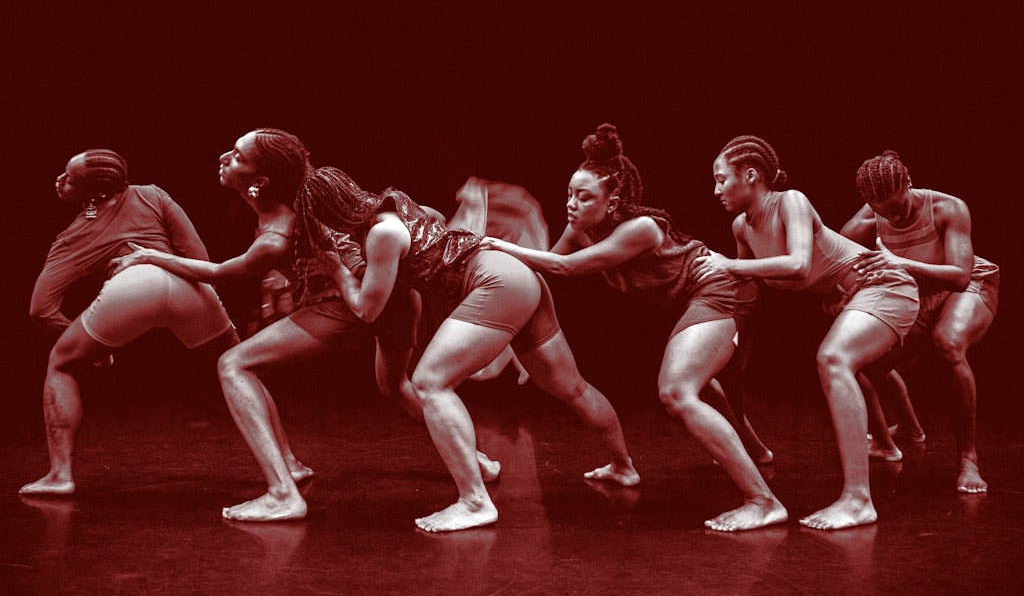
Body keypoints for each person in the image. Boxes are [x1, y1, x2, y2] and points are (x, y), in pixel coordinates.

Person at [111, 129, 440, 522]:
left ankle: (283, 492)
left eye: (236, 156)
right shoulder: (297, 193)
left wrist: (151, 257)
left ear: (259, 182)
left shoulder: (276, 233)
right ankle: (473, 458)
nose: (223, 157)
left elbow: (219, 273)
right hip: (397, 300)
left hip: (347, 304)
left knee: (234, 364)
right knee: (396, 385)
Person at [294, 164, 640, 532]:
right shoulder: (395, 204)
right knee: (573, 387)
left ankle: (474, 502)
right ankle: (624, 466)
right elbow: (435, 225)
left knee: (430, 383)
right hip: (518, 276)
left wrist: (336, 269)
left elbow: (367, 309)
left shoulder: (382, 233)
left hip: (495, 283)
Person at [483, 123, 786, 531]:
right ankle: (755, 455)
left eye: (584, 196)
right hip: (696, 301)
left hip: (721, 291)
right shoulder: (581, 227)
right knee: (710, 385)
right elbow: (547, 267)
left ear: (614, 201)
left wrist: (499, 245)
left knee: (678, 391)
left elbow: (564, 267)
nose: (571, 204)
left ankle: (763, 501)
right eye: (570, 193)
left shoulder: (641, 229)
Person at [695, 135, 920, 530]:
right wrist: (728, 348)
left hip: (886, 285)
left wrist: (728, 265)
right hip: (852, 298)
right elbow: (746, 292)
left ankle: (858, 501)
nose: (715, 190)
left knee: (834, 358)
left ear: (751, 176)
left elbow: (798, 265)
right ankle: (883, 451)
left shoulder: (790, 201)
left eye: (721, 179)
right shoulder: (742, 227)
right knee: (841, 362)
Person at [21, 149, 239, 495]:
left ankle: (59, 476)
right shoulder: (153, 194)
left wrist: (92, 348)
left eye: (70, 177)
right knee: (238, 366)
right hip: (187, 285)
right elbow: (200, 259)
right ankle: (289, 464)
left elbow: (40, 309)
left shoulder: (73, 235)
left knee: (60, 364)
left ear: (92, 194)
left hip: (131, 288)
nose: (60, 180)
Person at [840, 150, 998, 493]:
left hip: (969, 285)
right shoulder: (869, 219)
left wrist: (901, 264)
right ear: (869, 203)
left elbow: (959, 275)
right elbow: (839, 255)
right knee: (865, 364)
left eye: (900, 207)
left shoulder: (947, 208)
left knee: (948, 343)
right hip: (920, 292)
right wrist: (838, 291)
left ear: (909, 184)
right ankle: (905, 433)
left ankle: (968, 458)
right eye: (885, 211)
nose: (895, 216)